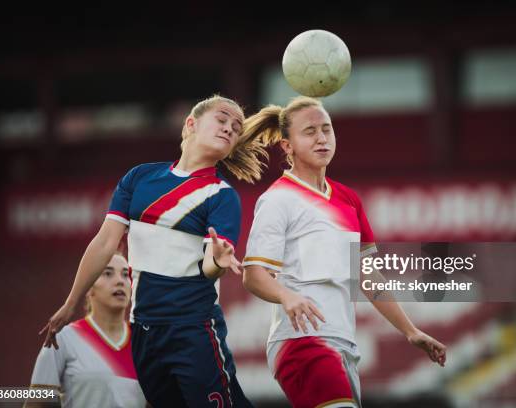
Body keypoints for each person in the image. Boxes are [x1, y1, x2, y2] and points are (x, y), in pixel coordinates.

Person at [40, 95, 267, 407]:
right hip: (145, 332)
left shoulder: (221, 195)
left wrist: (217, 260)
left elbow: (208, 269)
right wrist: (70, 303)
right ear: (191, 124)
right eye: (222, 120)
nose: (230, 129)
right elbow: (105, 243)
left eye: (236, 127)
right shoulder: (139, 177)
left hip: (193, 328)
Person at [241, 96, 447, 408]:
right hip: (301, 342)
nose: (322, 137)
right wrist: (287, 296)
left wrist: (410, 331)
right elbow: (254, 275)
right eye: (309, 131)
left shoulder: (349, 199)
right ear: (287, 146)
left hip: (344, 343)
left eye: (327, 129)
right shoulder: (277, 200)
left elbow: (366, 273)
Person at [27, 253, 146, 408]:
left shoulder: (144, 345)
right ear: (89, 287)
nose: (120, 281)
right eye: (108, 273)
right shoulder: (63, 339)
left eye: (126, 275)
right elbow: (37, 403)